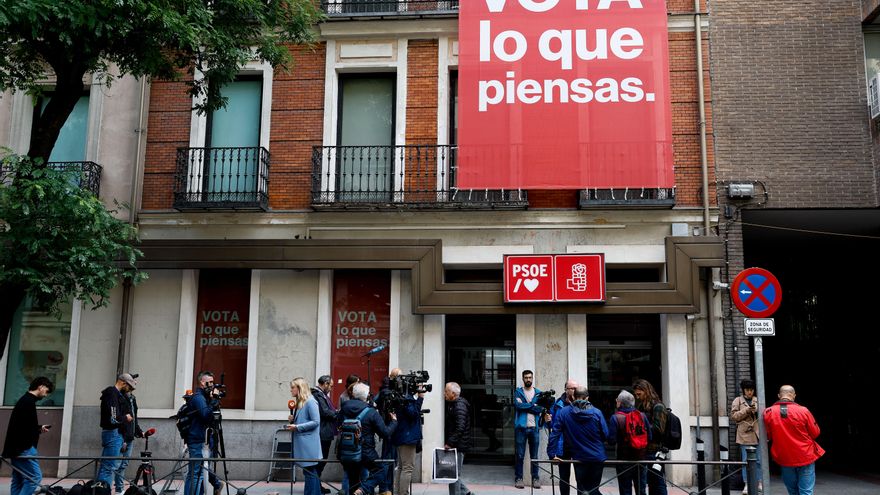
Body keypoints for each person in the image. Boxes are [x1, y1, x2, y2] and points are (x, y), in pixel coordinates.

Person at [763, 385, 824, 495]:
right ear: (794, 396)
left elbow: (767, 436)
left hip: (784, 456)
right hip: (805, 455)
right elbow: (815, 433)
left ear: (779, 396)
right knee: (806, 491)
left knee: (792, 491)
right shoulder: (803, 410)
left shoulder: (768, 412)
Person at [339, 382, 397, 495]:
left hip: (347, 450)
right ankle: (363, 489)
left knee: (353, 480)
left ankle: (357, 491)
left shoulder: (344, 409)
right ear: (366, 396)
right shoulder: (371, 412)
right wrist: (394, 422)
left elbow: (338, 425)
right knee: (380, 470)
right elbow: (385, 433)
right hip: (366, 451)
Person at [547, 386, 607, 495]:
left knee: (583, 489)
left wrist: (551, 454)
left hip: (579, 457)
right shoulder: (597, 413)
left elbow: (555, 433)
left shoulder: (564, 412)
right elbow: (605, 434)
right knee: (592, 488)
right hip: (597, 456)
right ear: (587, 398)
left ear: (573, 397)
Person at [2, 377, 53, 495]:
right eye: (47, 390)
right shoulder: (28, 402)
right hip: (23, 449)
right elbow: (24, 428)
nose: (46, 395)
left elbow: (23, 426)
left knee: (18, 480)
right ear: (41, 387)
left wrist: (39, 428)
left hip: (16, 449)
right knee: (34, 477)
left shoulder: (24, 400)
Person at [184, 371, 224, 495]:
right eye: (210, 382)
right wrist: (214, 400)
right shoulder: (198, 398)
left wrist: (214, 400)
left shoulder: (205, 397)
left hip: (204, 439)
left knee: (199, 473)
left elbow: (213, 418)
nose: (212, 385)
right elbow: (206, 415)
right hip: (198, 440)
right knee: (195, 474)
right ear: (202, 382)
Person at [609, 390, 651, 495]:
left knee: (625, 490)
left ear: (620, 403)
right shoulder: (642, 416)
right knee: (641, 490)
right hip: (640, 458)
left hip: (623, 460)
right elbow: (649, 437)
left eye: (617, 401)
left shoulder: (615, 418)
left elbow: (611, 441)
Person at [99, 373, 136, 487]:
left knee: (107, 467)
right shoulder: (112, 394)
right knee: (109, 467)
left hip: (114, 433)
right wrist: (126, 417)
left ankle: (101, 490)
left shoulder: (115, 394)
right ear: (123, 383)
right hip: (113, 433)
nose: (129, 390)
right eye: (129, 387)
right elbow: (114, 419)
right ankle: (104, 491)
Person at [288, 377, 323, 495]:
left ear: (300, 388)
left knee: (310, 473)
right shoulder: (301, 402)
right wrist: (293, 420)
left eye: (293, 387)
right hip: (305, 444)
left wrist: (297, 427)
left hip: (309, 445)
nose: (291, 390)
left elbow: (316, 422)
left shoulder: (310, 402)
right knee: (310, 472)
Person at [391, 372, 424, 495]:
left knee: (401, 467)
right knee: (407, 468)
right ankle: (403, 493)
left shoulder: (399, 395)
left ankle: (398, 492)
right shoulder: (406, 398)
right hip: (407, 437)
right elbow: (413, 413)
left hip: (401, 435)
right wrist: (420, 398)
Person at [632, 379, 668, 495]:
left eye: (639, 394)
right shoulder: (642, 406)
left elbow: (659, 430)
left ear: (646, 391)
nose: (637, 397)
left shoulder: (658, 406)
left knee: (657, 482)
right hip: (644, 449)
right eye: (635, 394)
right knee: (649, 482)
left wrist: (642, 427)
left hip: (655, 450)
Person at [514, 370, 548, 489]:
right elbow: (518, 406)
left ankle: (535, 478)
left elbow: (540, 409)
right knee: (519, 455)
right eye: (526, 378)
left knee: (534, 455)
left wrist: (529, 406)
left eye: (530, 377)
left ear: (532, 378)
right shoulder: (518, 392)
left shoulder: (538, 393)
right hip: (521, 429)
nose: (528, 379)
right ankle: (519, 478)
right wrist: (533, 406)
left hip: (534, 428)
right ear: (523, 379)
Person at [546, 379, 578, 495]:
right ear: (566, 389)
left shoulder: (581, 403)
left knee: (580, 476)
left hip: (577, 445)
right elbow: (551, 425)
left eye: (576, 388)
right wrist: (547, 421)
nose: (574, 390)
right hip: (562, 445)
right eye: (572, 388)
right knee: (564, 477)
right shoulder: (557, 404)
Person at [730, 379, 761, 494]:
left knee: (758, 460)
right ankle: (747, 484)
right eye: (747, 390)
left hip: (757, 434)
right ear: (743, 390)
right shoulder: (737, 401)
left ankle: (759, 482)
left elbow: (765, 414)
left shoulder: (758, 400)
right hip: (744, 434)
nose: (750, 392)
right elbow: (734, 417)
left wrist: (756, 410)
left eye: (751, 390)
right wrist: (747, 410)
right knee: (745, 460)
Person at [115, 373, 144, 495]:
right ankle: (119, 489)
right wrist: (125, 438)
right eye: (133, 381)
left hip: (130, 435)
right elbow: (122, 418)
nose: (135, 383)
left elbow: (134, 417)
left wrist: (138, 431)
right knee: (118, 464)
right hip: (122, 435)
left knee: (124, 464)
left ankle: (119, 488)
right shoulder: (121, 396)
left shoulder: (132, 398)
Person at [444, 382, 472, 495]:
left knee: (454, 475)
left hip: (458, 446)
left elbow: (460, 428)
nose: (444, 393)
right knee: (453, 473)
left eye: (446, 391)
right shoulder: (453, 404)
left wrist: (450, 443)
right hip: (456, 444)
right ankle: (466, 492)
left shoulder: (459, 406)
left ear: (453, 394)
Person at [311, 375, 337, 493]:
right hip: (322, 433)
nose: (331, 388)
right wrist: (338, 414)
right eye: (330, 386)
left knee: (321, 461)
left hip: (324, 432)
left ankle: (316, 485)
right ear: (325, 384)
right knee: (320, 461)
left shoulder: (321, 395)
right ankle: (315, 486)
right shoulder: (318, 395)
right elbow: (325, 412)